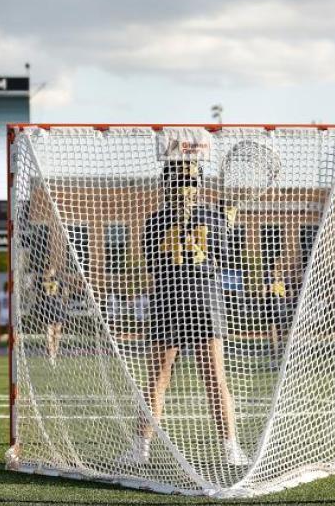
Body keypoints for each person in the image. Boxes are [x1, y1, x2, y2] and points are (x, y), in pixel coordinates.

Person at [137, 158, 248, 466]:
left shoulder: (155, 220)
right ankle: (232, 449)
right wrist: (227, 225)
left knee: (158, 379)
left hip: (168, 300)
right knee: (215, 378)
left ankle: (140, 449)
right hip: (203, 300)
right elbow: (225, 259)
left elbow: (152, 265)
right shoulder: (213, 216)